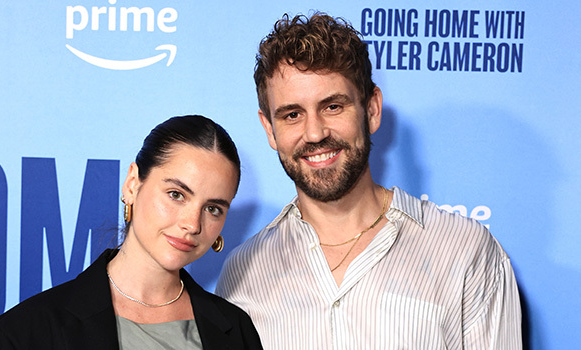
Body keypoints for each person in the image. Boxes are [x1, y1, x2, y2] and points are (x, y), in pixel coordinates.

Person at [216, 13, 522, 349]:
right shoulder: (242, 273)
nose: (315, 133)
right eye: (292, 114)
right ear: (269, 129)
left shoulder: (466, 251)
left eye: (333, 106)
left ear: (372, 109)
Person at [0, 115, 263, 350]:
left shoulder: (237, 331)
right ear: (132, 184)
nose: (192, 224)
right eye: (176, 194)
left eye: (213, 208)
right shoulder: (20, 336)